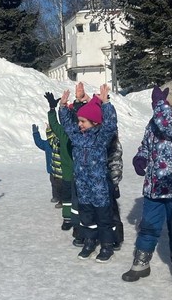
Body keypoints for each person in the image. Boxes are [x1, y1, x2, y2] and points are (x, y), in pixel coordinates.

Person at [122, 80, 172, 282]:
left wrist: (161, 107)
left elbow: (170, 128)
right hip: (154, 187)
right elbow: (148, 140)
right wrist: (141, 156)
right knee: (149, 225)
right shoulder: (157, 118)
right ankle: (141, 262)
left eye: (166, 100)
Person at [58, 84, 118, 262]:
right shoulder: (77, 137)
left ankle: (107, 245)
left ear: (95, 122)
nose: (79, 124)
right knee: (86, 216)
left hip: (99, 188)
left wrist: (106, 104)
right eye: (79, 120)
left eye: (83, 121)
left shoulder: (100, 138)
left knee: (103, 217)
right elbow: (68, 125)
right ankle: (90, 241)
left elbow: (110, 125)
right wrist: (62, 106)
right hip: (83, 187)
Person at [45, 91, 74, 231]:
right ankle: (67, 218)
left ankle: (82, 220)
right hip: (67, 174)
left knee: (81, 199)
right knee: (67, 198)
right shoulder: (63, 133)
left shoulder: (84, 133)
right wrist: (52, 109)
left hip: (82, 174)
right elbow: (54, 124)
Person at [32, 123, 62, 205]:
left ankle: (62, 200)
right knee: (53, 183)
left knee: (61, 185)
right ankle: (55, 196)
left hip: (60, 170)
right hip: (51, 169)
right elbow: (39, 143)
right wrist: (35, 133)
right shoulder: (46, 144)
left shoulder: (60, 144)